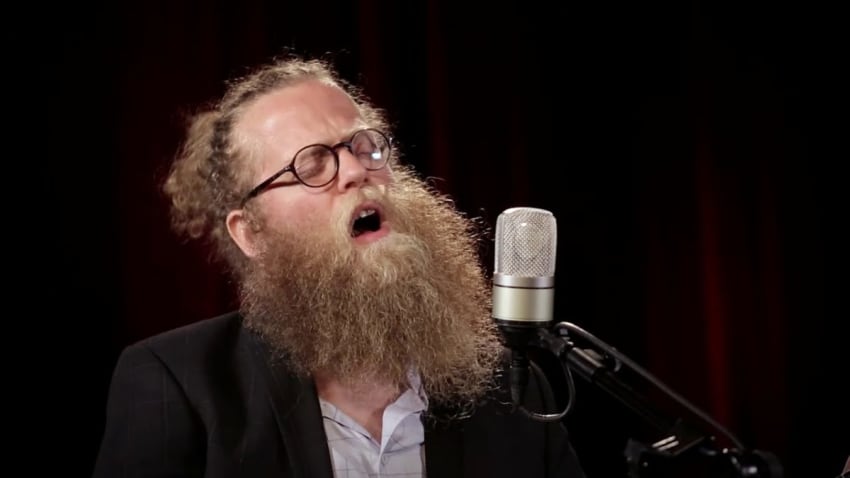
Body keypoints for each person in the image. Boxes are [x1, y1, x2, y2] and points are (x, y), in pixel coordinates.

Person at [92, 53, 586, 478]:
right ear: (251, 232)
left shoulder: (506, 390)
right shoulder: (176, 382)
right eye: (311, 166)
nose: (355, 171)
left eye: (364, 146)